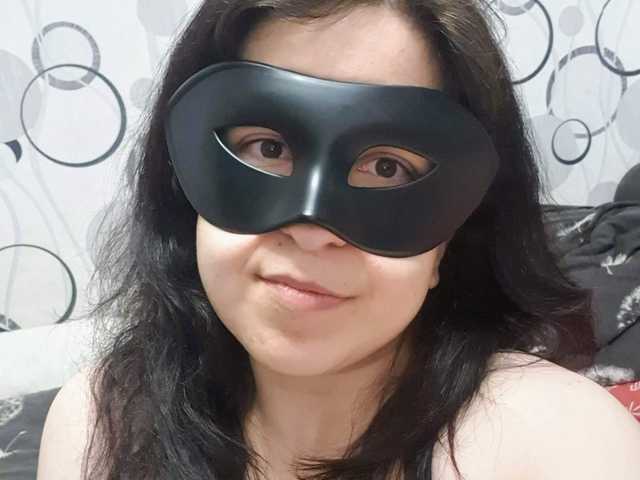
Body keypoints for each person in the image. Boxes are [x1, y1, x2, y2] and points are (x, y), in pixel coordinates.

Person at [37, 1, 640, 479]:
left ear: (451, 239)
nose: (311, 231)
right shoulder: (99, 428)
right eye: (267, 148)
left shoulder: (560, 446)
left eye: (387, 168)